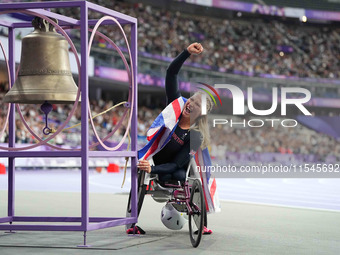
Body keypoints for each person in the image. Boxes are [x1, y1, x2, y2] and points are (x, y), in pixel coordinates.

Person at [127, 42, 214, 235]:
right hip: (159, 164)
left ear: (201, 115)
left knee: (181, 176)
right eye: (192, 99)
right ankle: (131, 223)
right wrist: (186, 53)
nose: (190, 103)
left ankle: (203, 223)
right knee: (146, 171)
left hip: (176, 169)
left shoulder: (195, 135)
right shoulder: (174, 107)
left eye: (197, 105)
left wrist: (153, 168)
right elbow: (171, 74)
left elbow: (176, 165)